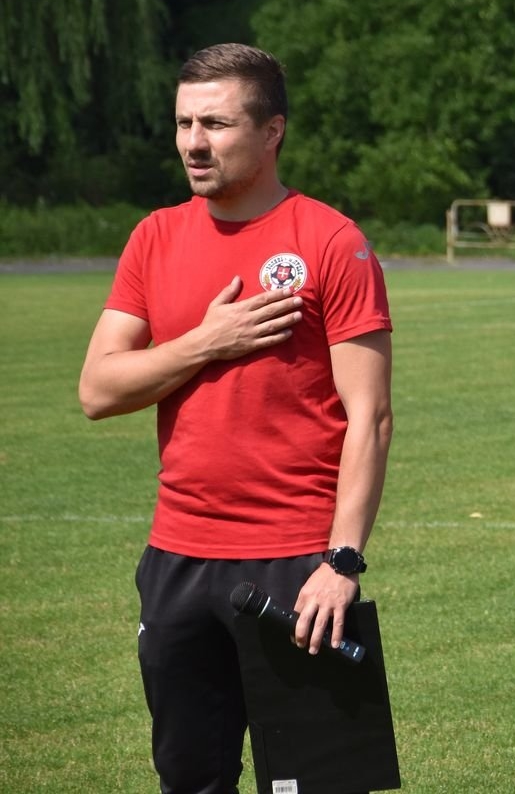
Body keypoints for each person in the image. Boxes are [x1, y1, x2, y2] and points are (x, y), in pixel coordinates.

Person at [78, 43, 394, 793]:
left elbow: (371, 416)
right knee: (190, 780)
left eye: (215, 124)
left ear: (271, 130)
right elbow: (98, 389)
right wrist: (204, 342)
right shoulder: (154, 237)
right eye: (184, 122)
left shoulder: (331, 241)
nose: (193, 142)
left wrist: (342, 562)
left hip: (297, 562)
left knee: (318, 785)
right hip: (178, 561)